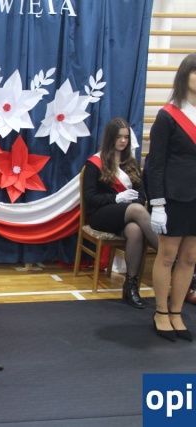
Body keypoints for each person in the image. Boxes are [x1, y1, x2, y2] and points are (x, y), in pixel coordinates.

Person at [83, 117, 158, 309]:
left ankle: (130, 286)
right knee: (137, 210)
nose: (123, 141)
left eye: (126, 137)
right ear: (110, 138)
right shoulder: (95, 163)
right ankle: (169, 255)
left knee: (135, 231)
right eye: (119, 137)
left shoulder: (130, 162)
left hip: (127, 215)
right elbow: (90, 198)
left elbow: (141, 195)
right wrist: (117, 198)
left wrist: (131, 202)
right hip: (101, 215)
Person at [147, 52, 196, 342]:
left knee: (190, 258)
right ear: (185, 75)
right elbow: (155, 164)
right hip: (174, 197)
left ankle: (177, 311)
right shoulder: (168, 115)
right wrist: (157, 203)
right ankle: (161, 312)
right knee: (167, 256)